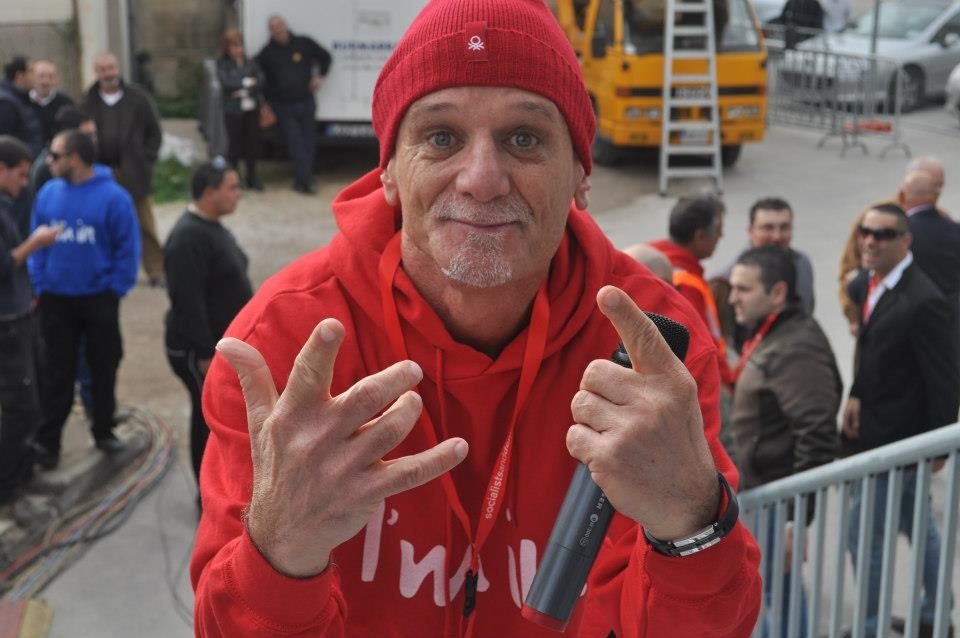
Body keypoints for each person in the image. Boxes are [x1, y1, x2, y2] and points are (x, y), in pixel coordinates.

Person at [191, 1, 762, 636]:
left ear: (579, 172)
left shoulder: (652, 348)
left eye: (525, 138)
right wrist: (279, 552)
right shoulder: (286, 348)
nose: (483, 180)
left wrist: (692, 524)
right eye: (441, 137)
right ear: (386, 171)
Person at [841, 203, 959, 638]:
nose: (871, 240)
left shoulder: (924, 300)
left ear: (906, 241)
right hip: (876, 431)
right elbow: (873, 349)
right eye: (866, 231)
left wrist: (938, 447)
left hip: (901, 443)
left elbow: (944, 379)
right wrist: (855, 393)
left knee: (863, 538)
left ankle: (871, 625)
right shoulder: (868, 283)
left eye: (884, 234)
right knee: (920, 525)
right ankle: (934, 613)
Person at [728, 246, 840, 638]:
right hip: (767, 493)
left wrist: (796, 520)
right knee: (776, 592)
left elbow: (818, 433)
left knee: (781, 596)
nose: (732, 298)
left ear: (776, 294)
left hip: (778, 500)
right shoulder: (773, 332)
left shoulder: (795, 347)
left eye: (743, 289)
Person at [28, 129, 140, 470]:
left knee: (103, 367)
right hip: (57, 300)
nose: (50, 162)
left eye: (56, 156)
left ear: (75, 158)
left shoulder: (114, 198)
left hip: (98, 300)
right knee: (58, 373)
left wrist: (113, 291)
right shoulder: (48, 193)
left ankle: (103, 430)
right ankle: (48, 443)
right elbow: (36, 241)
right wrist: (41, 283)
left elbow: (127, 250)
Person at [164, 159, 252, 487]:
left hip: (217, 345)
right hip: (197, 350)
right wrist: (204, 353)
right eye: (232, 187)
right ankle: (208, 495)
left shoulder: (212, 226)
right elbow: (186, 300)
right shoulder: (187, 239)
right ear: (209, 192)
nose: (238, 194)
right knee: (210, 421)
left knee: (218, 416)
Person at [0, 136, 59, 504]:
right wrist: (35, 243)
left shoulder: (7, 206)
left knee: (33, 398)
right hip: (7, 323)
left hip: (20, 315)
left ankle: (21, 475)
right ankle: (7, 487)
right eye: (20, 175)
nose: (25, 183)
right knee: (21, 406)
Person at [838, 157, 951, 335]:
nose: (936, 191)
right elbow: (849, 267)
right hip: (882, 320)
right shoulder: (873, 219)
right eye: (932, 183)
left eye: (939, 185)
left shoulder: (943, 219)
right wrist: (854, 317)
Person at [83, 52, 164, 287]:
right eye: (103, 69)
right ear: (96, 72)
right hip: (102, 173)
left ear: (118, 68)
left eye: (111, 67)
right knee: (104, 224)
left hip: (134, 170)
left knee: (145, 223)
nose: (108, 73)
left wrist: (146, 157)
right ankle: (108, 269)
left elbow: (154, 132)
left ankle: (156, 270)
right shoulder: (88, 101)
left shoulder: (137, 97)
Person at [650, 195, 732, 387]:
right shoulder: (685, 285)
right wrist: (728, 384)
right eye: (718, 230)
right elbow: (702, 345)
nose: (721, 236)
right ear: (700, 236)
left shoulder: (653, 257)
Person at [255, 15, 332, 194]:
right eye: (273, 27)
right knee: (296, 143)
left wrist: (320, 76)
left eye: (279, 25)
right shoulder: (266, 54)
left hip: (306, 102)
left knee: (308, 143)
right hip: (283, 106)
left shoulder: (303, 43)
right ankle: (306, 182)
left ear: (285, 25)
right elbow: (257, 76)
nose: (278, 29)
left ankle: (301, 181)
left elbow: (325, 57)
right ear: (270, 31)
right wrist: (264, 104)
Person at [217, 30, 265, 191]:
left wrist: (242, 88)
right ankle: (234, 180)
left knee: (252, 144)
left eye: (240, 45)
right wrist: (246, 82)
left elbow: (260, 81)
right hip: (233, 111)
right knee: (234, 146)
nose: (238, 49)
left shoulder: (251, 62)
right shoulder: (223, 64)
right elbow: (227, 84)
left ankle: (252, 178)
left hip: (251, 109)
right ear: (228, 48)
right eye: (234, 46)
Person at [0, 56, 43, 156]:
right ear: (20, 76)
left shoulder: (21, 98)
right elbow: (5, 144)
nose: (36, 76)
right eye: (31, 71)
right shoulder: (6, 104)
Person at [27, 59, 74, 146]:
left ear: (56, 80)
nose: (46, 81)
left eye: (51, 77)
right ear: (32, 77)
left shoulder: (66, 103)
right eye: (41, 76)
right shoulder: (23, 101)